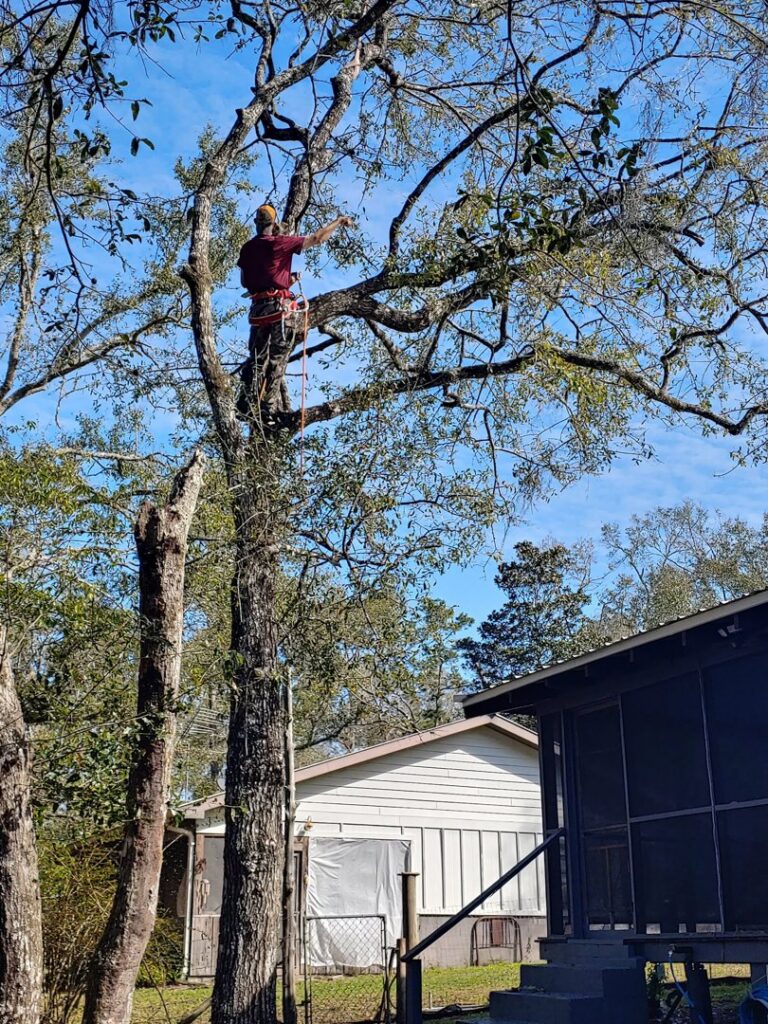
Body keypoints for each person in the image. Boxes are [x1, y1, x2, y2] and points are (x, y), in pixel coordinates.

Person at [236, 204, 353, 423]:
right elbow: (317, 238)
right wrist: (338, 222)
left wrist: (280, 279)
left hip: (258, 311)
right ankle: (267, 409)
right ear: (274, 223)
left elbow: (245, 282)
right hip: (279, 310)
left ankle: (244, 402)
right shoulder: (280, 243)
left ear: (256, 223)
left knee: (257, 358)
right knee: (277, 359)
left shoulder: (247, 248)